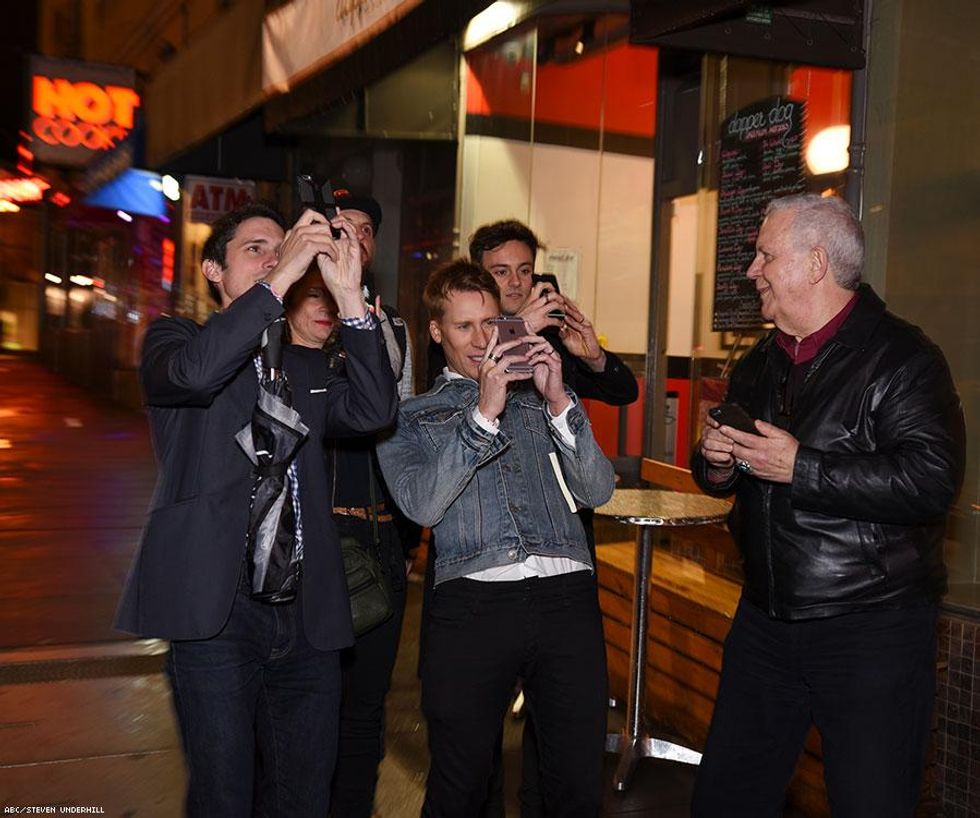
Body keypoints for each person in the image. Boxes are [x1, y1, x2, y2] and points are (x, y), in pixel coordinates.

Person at [115, 202, 398, 817]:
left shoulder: (305, 364)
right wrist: (282, 277)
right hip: (217, 614)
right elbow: (195, 375)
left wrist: (351, 302)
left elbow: (376, 412)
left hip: (309, 617)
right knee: (224, 797)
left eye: (283, 246)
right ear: (214, 270)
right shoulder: (176, 341)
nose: (275, 256)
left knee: (303, 797)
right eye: (256, 248)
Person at [691, 193, 965, 818]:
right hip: (765, 621)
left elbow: (932, 480)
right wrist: (716, 461)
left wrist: (802, 468)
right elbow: (738, 477)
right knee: (724, 801)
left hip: (870, 628)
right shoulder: (759, 361)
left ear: (815, 265)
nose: (752, 270)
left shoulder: (904, 359)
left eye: (765, 255)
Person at [377, 260, 616, 817]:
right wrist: (483, 412)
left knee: (577, 784)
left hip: (566, 599)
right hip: (474, 605)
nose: (482, 339)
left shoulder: (539, 397)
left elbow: (598, 489)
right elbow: (422, 504)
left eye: (490, 323)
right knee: (460, 785)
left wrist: (560, 403)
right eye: (464, 327)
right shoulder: (410, 418)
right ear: (436, 332)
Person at [283, 263, 419, 818]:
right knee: (306, 707)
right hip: (312, 548)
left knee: (365, 710)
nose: (325, 305)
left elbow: (394, 427)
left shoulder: (368, 350)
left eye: (333, 294)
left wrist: (406, 537)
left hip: (379, 539)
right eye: (309, 294)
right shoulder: (269, 365)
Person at [333, 183, 414, 400]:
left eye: (366, 230)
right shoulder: (302, 313)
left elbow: (404, 404)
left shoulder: (393, 324)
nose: (358, 236)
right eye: (346, 227)